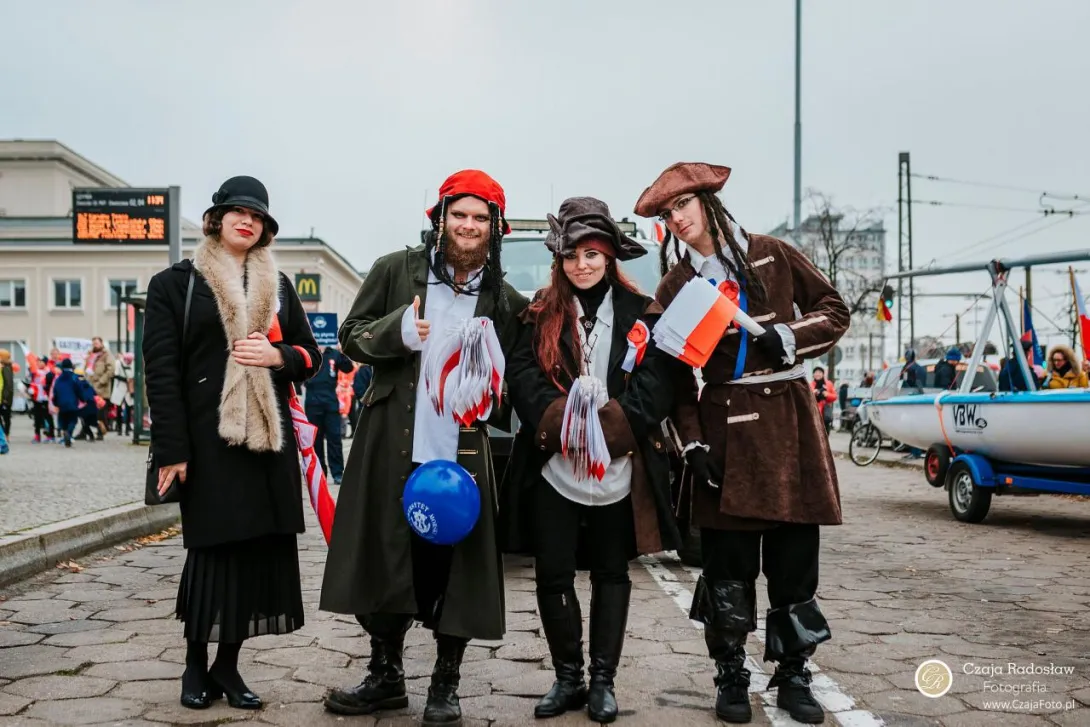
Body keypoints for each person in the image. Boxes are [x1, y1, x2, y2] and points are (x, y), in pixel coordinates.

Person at [634, 162, 849, 724]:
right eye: (667, 214)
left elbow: (835, 311)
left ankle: (794, 673)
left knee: (794, 565)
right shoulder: (677, 285)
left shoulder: (773, 254)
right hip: (723, 431)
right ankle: (730, 672)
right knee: (727, 567)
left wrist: (789, 335)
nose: (676, 219)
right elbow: (672, 376)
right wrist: (692, 444)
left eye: (683, 205)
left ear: (708, 201)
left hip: (791, 428)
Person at [320, 170, 528, 725]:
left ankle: (445, 683)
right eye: (459, 214)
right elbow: (351, 334)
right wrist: (400, 333)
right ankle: (386, 676)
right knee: (384, 561)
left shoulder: (504, 299)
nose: (468, 225)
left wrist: (496, 393)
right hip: (392, 441)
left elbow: (517, 381)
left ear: (495, 228)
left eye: (480, 218)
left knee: (452, 571)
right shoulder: (396, 269)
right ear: (440, 219)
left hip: (461, 457)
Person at [500, 198, 682, 723]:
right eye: (571, 255)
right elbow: (523, 376)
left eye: (592, 254)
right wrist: (566, 426)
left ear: (609, 257)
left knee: (610, 571)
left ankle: (603, 680)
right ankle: (568, 678)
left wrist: (606, 431)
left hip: (619, 466)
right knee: (553, 573)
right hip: (555, 465)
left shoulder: (643, 312)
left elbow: (657, 384)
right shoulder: (539, 312)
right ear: (559, 260)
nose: (581, 265)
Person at [143, 176, 321, 711]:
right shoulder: (175, 284)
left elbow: (310, 355)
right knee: (212, 553)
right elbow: (161, 372)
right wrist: (173, 449)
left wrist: (278, 357)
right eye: (238, 211)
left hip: (268, 443)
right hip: (208, 441)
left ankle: (228, 664)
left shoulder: (279, 284)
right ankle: (195, 664)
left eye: (258, 216)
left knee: (257, 553)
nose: (248, 221)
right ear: (215, 219)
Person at [303, 345, 355, 484]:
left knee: (334, 439)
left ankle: (337, 473)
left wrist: (342, 352)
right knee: (316, 441)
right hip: (313, 402)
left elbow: (348, 368)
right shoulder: (308, 350)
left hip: (330, 402)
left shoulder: (334, 354)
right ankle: (320, 474)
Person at [49, 359, 85, 447]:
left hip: (61, 404)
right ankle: (68, 433)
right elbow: (79, 390)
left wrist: (55, 403)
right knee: (73, 420)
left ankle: (65, 432)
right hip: (72, 403)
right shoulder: (74, 377)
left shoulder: (58, 379)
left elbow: (55, 392)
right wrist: (83, 398)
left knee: (63, 420)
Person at [85, 337, 115, 439]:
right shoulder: (90, 355)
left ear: (101, 343)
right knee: (87, 410)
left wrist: (101, 381)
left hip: (101, 388)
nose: (95, 345)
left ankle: (100, 432)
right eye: (93, 343)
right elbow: (87, 368)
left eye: (97, 343)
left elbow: (111, 370)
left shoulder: (107, 355)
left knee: (100, 413)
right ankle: (85, 431)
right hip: (90, 386)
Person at [349, 362, 373, 436]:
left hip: (365, 404)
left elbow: (358, 388)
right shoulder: (371, 369)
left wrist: (364, 398)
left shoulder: (363, 370)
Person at [811, 367, 836, 435]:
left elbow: (835, 396)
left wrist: (827, 394)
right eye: (816, 373)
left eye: (819, 372)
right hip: (814, 411)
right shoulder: (810, 385)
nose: (817, 374)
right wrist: (813, 393)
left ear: (823, 374)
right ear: (813, 375)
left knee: (825, 433)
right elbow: (806, 397)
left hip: (825, 412)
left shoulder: (829, 384)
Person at [0, 348, 13, 436]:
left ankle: (5, 435)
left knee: (6, 417)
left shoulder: (6, 367)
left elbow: (8, 384)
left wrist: (4, 398)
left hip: (5, 398)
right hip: (3, 397)